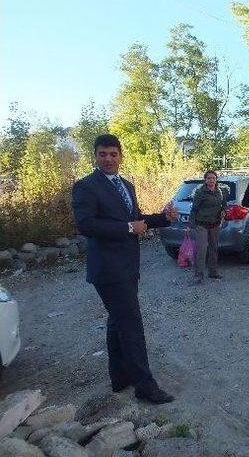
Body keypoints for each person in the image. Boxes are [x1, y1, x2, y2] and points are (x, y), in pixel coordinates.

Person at [72, 134, 178, 404]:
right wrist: (127, 228)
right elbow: (86, 225)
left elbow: (136, 220)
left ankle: (120, 377)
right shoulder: (86, 186)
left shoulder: (127, 186)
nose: (108, 159)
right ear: (95, 156)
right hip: (108, 269)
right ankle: (145, 385)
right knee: (131, 324)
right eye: (102, 154)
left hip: (128, 266)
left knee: (117, 320)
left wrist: (163, 218)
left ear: (121, 156)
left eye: (113, 154)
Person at [188, 170, 227, 284]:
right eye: (209, 178)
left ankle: (213, 272)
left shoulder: (220, 191)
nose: (211, 180)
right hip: (202, 225)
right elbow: (194, 209)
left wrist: (224, 211)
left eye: (213, 178)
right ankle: (198, 275)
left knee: (214, 248)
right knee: (201, 250)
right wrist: (191, 225)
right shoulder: (200, 192)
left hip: (215, 224)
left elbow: (224, 204)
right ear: (205, 180)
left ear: (216, 179)